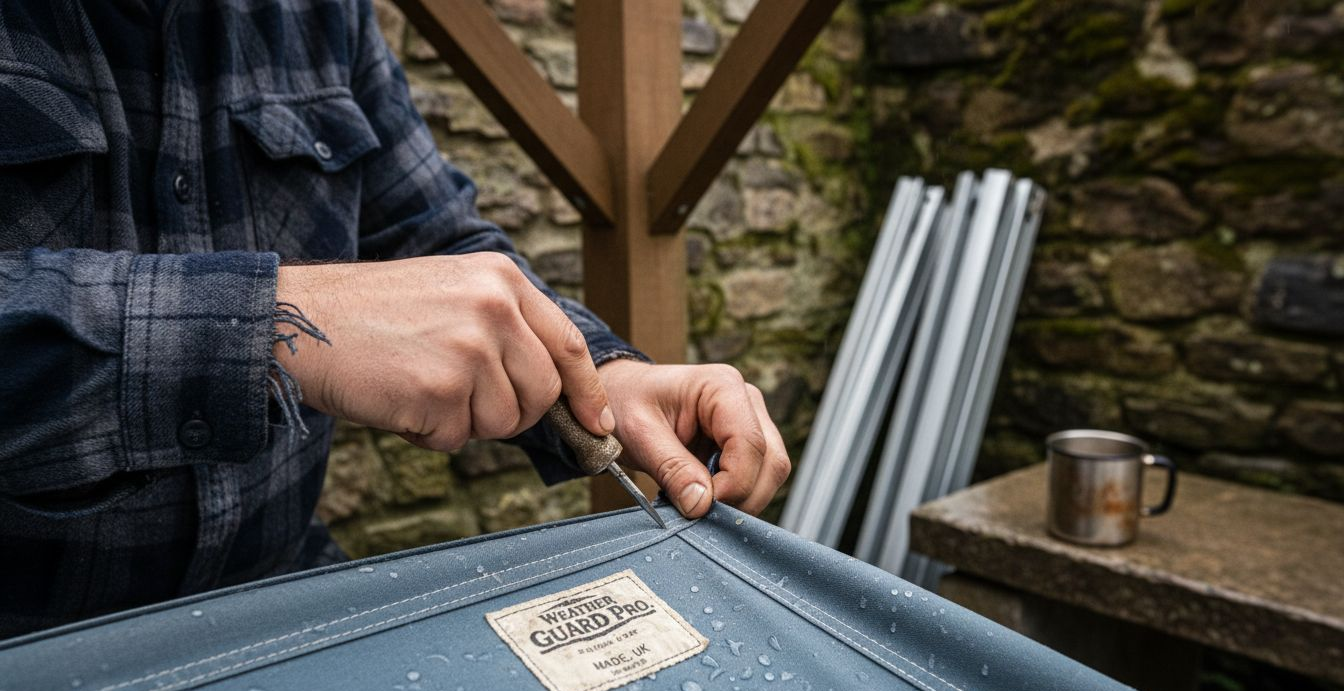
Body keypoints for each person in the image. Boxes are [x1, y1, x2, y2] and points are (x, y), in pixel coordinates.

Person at [0, 0, 789, 639]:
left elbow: (433, 235)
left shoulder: (320, 13)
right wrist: (270, 322)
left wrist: (609, 374)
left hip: (281, 603)